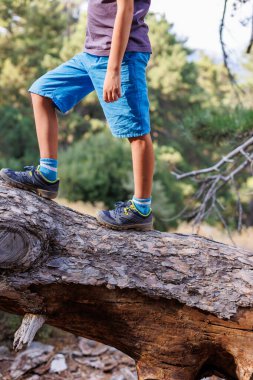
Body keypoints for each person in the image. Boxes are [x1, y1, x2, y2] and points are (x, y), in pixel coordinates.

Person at [0, 0, 155, 231]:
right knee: (43, 92)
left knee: (136, 131)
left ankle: (141, 209)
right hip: (91, 54)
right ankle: (47, 174)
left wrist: (113, 70)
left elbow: (126, 8)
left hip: (121, 56)